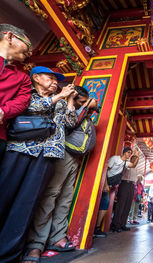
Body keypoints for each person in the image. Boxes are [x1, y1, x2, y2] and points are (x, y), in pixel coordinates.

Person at [0, 66, 77, 262]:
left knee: (28, 201)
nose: (54, 82)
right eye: (50, 78)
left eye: (56, 80)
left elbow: (70, 122)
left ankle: (10, 252)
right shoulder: (26, 92)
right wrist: (59, 97)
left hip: (47, 154)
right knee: (4, 194)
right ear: (36, 78)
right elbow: (32, 108)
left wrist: (68, 100)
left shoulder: (60, 101)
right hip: (19, 149)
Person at [24, 87, 96, 261]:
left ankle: (57, 237)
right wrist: (84, 106)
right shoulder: (62, 104)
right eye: (81, 101)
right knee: (51, 195)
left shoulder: (80, 110)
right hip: (61, 154)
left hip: (74, 158)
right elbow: (71, 123)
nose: (83, 105)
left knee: (65, 198)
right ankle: (36, 243)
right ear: (74, 97)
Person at [0, 24, 32, 161]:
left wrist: (3, 111)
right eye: (28, 46)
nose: (30, 53)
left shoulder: (23, 77)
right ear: (10, 36)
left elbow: (22, 102)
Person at [110, 148, 139, 232]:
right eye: (133, 157)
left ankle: (122, 224)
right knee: (121, 205)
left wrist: (137, 156)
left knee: (127, 205)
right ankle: (116, 225)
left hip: (131, 186)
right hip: (124, 184)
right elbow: (133, 163)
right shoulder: (126, 164)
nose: (135, 159)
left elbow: (135, 164)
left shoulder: (135, 167)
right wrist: (136, 155)